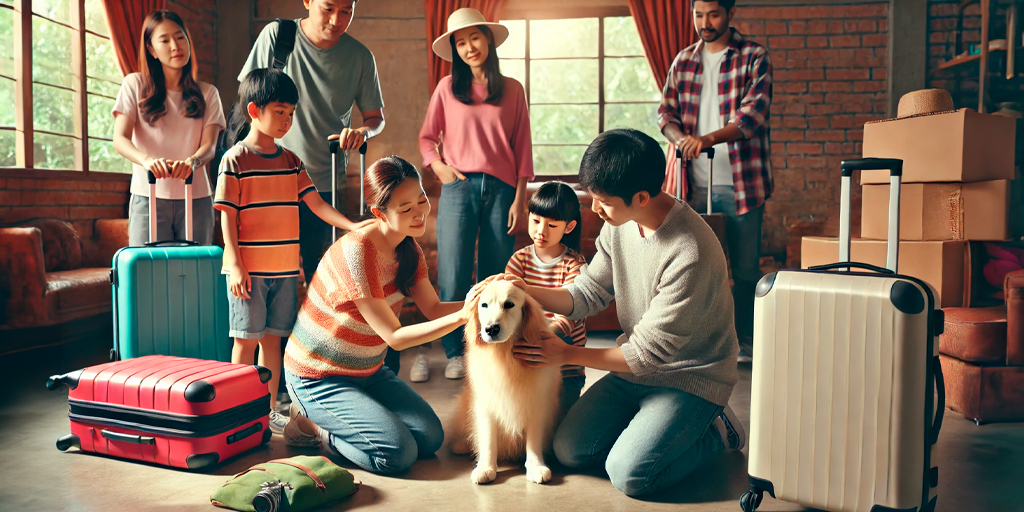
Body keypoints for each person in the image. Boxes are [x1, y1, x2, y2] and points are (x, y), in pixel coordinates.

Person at [505, 129, 745, 498]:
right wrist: (525, 293)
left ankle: (716, 431)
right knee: (569, 451)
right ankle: (654, 430)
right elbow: (589, 291)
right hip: (634, 371)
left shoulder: (689, 252)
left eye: (603, 202)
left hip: (690, 377)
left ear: (642, 197)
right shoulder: (620, 223)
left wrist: (565, 353)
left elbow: (648, 354)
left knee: (631, 474)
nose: (595, 210)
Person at [280, 155, 483, 474]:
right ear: (379, 213)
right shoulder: (357, 252)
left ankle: (346, 416)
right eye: (406, 209)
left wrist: (482, 300)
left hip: (368, 372)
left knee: (429, 438)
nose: (419, 214)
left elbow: (433, 309)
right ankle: (310, 423)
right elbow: (396, 338)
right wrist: (464, 316)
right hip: (318, 377)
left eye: (421, 200)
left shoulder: (408, 249)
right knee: (398, 454)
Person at [238, 0, 387, 394]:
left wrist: (363, 134)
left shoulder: (359, 56)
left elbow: (375, 117)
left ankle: (308, 374)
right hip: (265, 179)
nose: (337, 20)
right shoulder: (277, 37)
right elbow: (249, 94)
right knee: (261, 283)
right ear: (307, 1)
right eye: (328, 8)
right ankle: (257, 387)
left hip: (320, 180)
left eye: (348, 10)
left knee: (318, 282)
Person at [214, 68, 370, 436]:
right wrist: (234, 263)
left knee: (273, 340)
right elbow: (227, 217)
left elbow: (315, 204)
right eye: (280, 112)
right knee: (245, 341)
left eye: (291, 113)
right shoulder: (234, 160)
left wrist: (352, 225)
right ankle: (241, 412)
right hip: (247, 273)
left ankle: (267, 411)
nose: (287, 120)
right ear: (255, 110)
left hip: (284, 271)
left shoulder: (291, 161)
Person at [416, 7, 533, 382]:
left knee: (496, 277)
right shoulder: (447, 89)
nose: (469, 48)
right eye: (460, 43)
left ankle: (492, 349)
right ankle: (454, 352)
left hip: (502, 191)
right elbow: (426, 138)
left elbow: (523, 147)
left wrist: (520, 198)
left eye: (474, 38)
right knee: (452, 275)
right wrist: (440, 167)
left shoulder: (513, 89)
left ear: (488, 40)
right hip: (458, 189)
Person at [658, 0, 773, 362]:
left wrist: (707, 139)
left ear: (730, 13)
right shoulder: (684, 60)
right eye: (698, 15)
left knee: (745, 269)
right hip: (692, 184)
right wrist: (680, 140)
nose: (705, 23)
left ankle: (748, 345)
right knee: (693, 268)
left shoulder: (753, 56)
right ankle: (695, 344)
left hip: (742, 182)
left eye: (714, 15)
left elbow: (752, 115)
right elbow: (665, 112)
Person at [113, 10, 225, 246]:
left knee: (194, 273)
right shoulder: (134, 85)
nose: (175, 46)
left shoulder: (208, 93)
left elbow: (210, 146)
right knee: (147, 273)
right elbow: (120, 139)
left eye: (180, 37)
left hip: (197, 197)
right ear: (151, 49)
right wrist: (146, 161)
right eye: (164, 40)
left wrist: (192, 161)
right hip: (148, 194)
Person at [503, 181, 587, 419]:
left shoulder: (574, 265)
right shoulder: (519, 260)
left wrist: (536, 338)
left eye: (551, 225)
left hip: (565, 370)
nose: (541, 231)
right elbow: (509, 306)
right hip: (527, 361)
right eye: (536, 220)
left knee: (558, 433)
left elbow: (569, 318)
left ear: (569, 227)